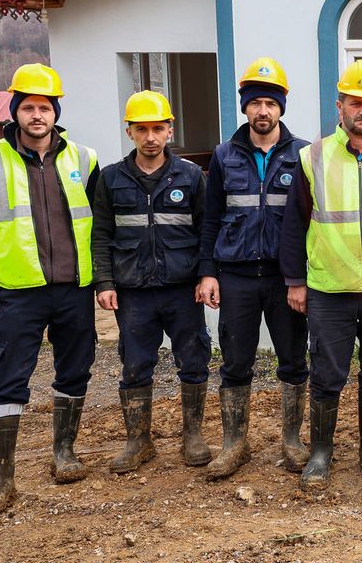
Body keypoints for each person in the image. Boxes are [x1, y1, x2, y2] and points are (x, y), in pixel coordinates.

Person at [0, 63, 99, 516]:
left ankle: (64, 453)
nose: (37, 115)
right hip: (19, 290)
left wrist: (103, 279)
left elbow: (100, 226)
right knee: (7, 377)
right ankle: (1, 479)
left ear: (56, 112)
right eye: (28, 107)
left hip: (74, 287)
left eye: (45, 107)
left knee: (75, 368)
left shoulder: (84, 159)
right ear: (15, 111)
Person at [280, 60, 362, 491]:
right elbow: (294, 224)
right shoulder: (313, 157)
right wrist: (295, 281)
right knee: (327, 372)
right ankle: (321, 451)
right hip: (329, 286)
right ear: (340, 107)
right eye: (356, 103)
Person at [197, 57, 311, 479]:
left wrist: (304, 277)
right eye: (256, 103)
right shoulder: (224, 156)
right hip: (237, 276)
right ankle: (235, 444)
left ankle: (293, 441)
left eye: (271, 103)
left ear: (282, 107)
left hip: (286, 279)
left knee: (293, 360)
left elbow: (312, 220)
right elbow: (210, 219)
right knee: (235, 362)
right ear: (245, 106)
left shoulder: (304, 155)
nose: (263, 111)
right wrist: (208, 271)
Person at [92, 91, 211, 474]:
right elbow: (101, 233)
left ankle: (193, 435)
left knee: (193, 360)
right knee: (135, 364)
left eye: (158, 128)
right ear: (129, 131)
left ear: (170, 129)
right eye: (141, 129)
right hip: (133, 292)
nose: (150, 137)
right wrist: (104, 281)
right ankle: (138, 441)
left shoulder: (190, 176)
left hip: (182, 289)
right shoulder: (111, 178)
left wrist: (206, 275)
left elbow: (206, 231)